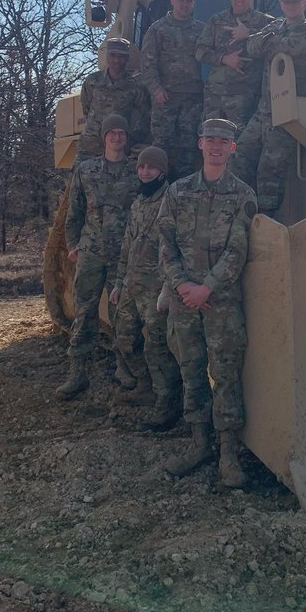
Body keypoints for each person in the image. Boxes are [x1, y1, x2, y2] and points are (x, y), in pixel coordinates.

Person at [157, 117, 257, 488]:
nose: (216, 146)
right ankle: (199, 444)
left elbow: (237, 251)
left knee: (226, 374)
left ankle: (229, 453)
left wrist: (207, 288)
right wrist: (182, 285)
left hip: (221, 302)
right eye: (210, 139)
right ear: (200, 144)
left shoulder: (243, 195)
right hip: (184, 298)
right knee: (190, 370)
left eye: (223, 141)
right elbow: (164, 242)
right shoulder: (178, 192)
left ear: (233, 148)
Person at [55, 113, 140, 400]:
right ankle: (77, 371)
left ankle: (124, 367)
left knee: (123, 314)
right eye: (112, 133)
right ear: (104, 137)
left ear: (126, 138)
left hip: (123, 255)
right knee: (84, 311)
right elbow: (74, 212)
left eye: (121, 133)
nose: (117, 138)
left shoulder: (136, 171)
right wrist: (72, 244)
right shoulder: (87, 171)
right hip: (91, 252)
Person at [229, 0, 306, 215]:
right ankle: (238, 211)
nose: (290, 6)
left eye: (295, 2)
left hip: (287, 110)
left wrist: (265, 42)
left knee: (269, 172)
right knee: (237, 157)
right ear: (281, 4)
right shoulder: (275, 25)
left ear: (304, 4)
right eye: (286, 2)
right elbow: (252, 47)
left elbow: (294, 47)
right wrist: (264, 41)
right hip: (264, 109)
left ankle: (266, 222)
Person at [110, 146, 182, 429]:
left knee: (158, 348)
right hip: (132, 285)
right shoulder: (138, 203)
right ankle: (145, 386)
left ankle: (167, 402)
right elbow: (127, 246)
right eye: (142, 167)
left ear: (161, 171)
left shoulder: (172, 200)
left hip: (157, 288)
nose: (145, 172)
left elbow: (178, 246)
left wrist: (169, 287)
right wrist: (118, 282)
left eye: (151, 168)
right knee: (124, 339)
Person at [138, 0, 204, 181]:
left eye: (188, 0)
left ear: (193, 3)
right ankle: (159, 191)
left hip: (192, 100)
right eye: (181, 0)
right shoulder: (158, 29)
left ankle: (183, 193)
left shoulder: (201, 30)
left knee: (188, 148)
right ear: (172, 0)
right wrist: (156, 90)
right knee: (161, 149)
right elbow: (147, 64)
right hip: (165, 99)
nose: (184, 4)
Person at [196, 0, 274, 131]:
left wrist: (249, 34)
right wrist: (224, 59)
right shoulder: (216, 21)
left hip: (245, 98)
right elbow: (200, 51)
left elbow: (276, 42)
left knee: (239, 144)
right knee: (211, 140)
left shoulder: (265, 22)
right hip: (215, 97)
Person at [78, 37, 150, 161]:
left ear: (127, 58)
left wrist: (132, 138)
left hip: (119, 147)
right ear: (107, 56)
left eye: (121, 56)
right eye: (113, 55)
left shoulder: (135, 86)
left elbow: (146, 115)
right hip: (91, 146)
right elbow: (86, 107)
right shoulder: (92, 81)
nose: (116, 60)